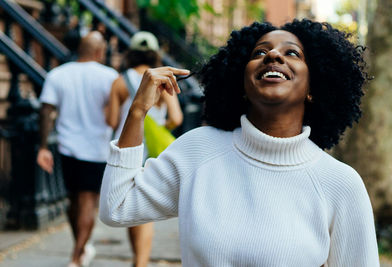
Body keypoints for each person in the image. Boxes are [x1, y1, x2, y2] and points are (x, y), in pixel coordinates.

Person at [99, 19, 379, 266]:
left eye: (292, 53)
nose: (272, 55)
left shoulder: (340, 184)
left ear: (313, 89)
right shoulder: (198, 150)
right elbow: (117, 206)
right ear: (241, 82)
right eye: (259, 52)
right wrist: (137, 112)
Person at [37, 31, 118, 267]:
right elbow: (115, 113)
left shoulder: (58, 75)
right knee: (86, 202)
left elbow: (45, 110)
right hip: (97, 149)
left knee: (73, 201)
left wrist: (43, 147)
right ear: (99, 51)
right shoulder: (109, 76)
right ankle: (77, 256)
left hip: (67, 147)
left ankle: (80, 250)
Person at [105, 31, 183, 267]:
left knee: (128, 206)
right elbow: (177, 118)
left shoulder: (119, 81)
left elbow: (110, 121)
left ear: (131, 53)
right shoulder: (163, 79)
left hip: (128, 148)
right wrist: (159, 127)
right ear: (155, 54)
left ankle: (139, 262)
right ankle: (140, 261)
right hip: (153, 153)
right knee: (142, 210)